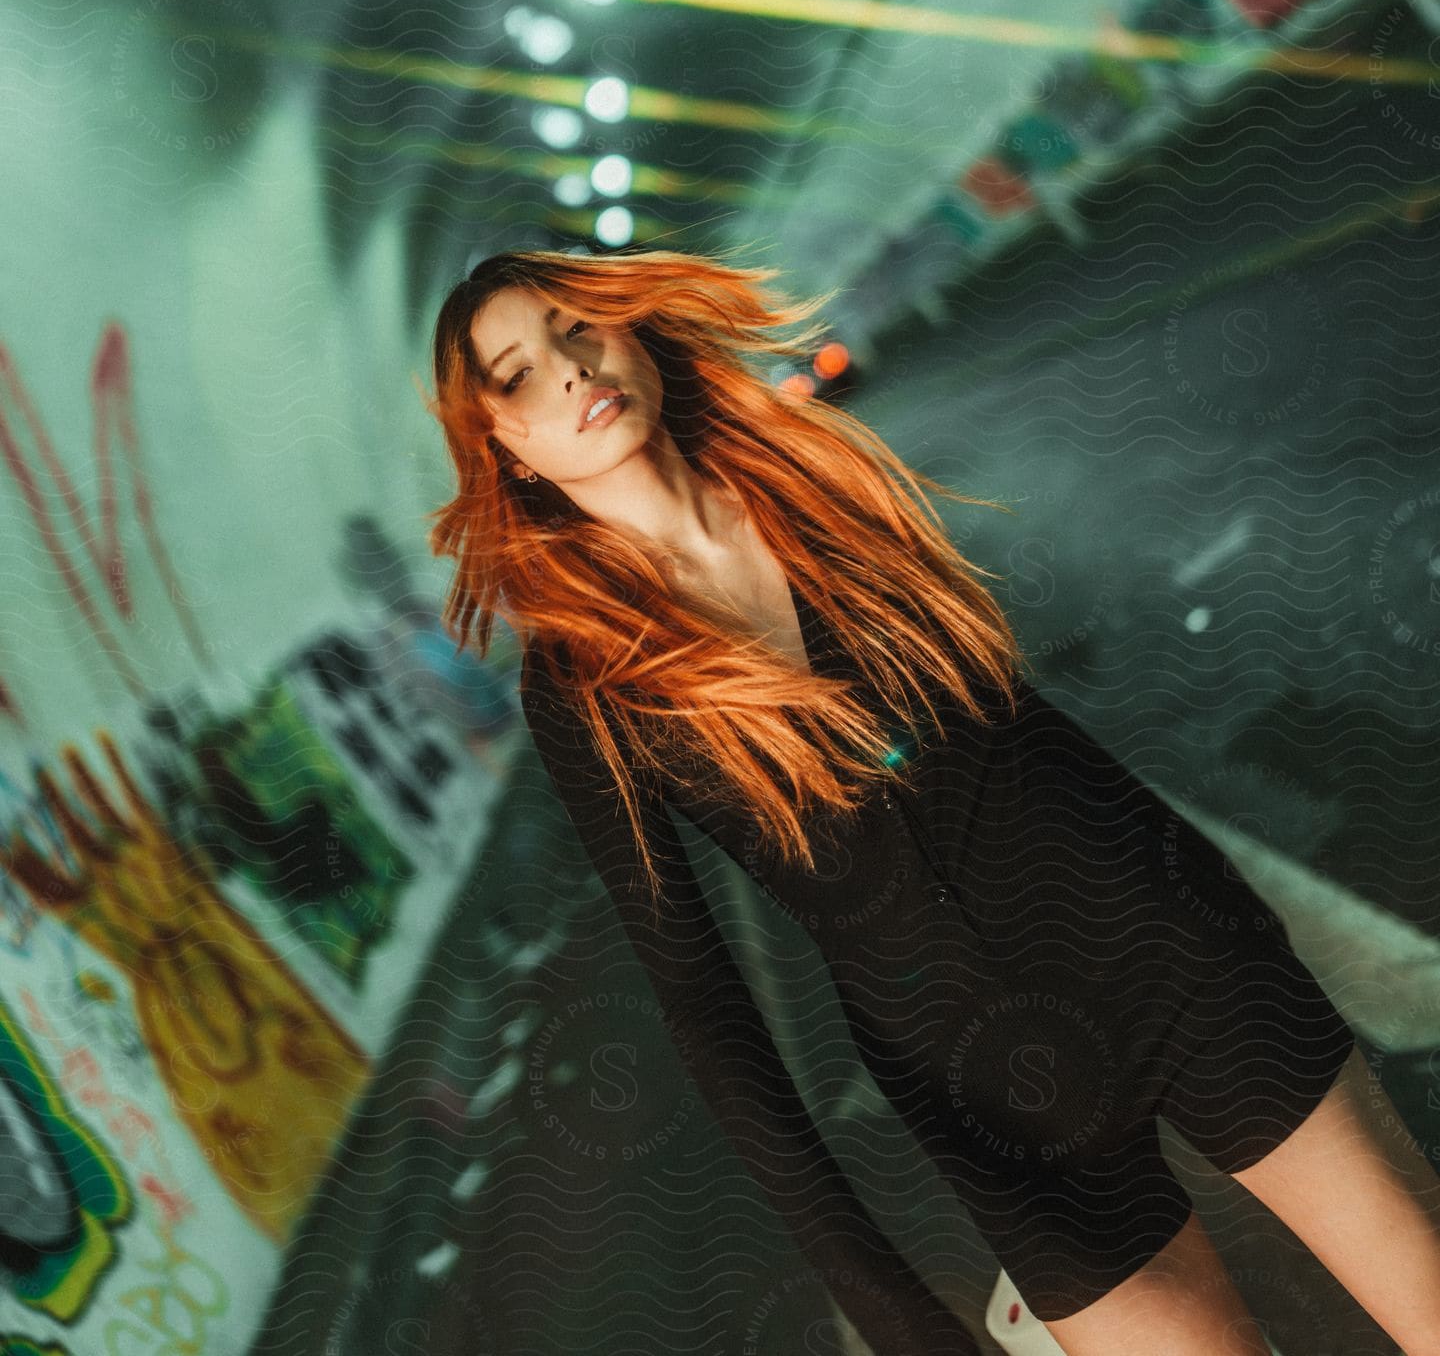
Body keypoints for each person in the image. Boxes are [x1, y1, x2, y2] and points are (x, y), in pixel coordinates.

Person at [425, 246, 1440, 1356]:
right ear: (504, 449)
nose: (570, 372)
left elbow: (1026, 733)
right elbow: (703, 1004)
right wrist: (887, 1305)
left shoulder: (818, 481)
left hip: (1167, 955)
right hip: (994, 1100)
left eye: (580, 326)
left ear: (634, 328)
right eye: (517, 376)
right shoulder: (581, 679)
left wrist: (1211, 901)